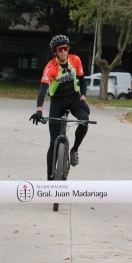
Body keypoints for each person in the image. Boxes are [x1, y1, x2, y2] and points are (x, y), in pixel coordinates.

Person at [29, 35, 90, 180]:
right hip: (57, 102)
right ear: (55, 52)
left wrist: (83, 98)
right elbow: (43, 89)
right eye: (60, 49)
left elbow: (82, 81)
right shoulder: (50, 67)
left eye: (66, 48)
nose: (63, 51)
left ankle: (74, 150)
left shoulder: (75, 60)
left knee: (85, 120)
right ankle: (50, 179)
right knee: (53, 142)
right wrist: (39, 110)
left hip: (74, 99)